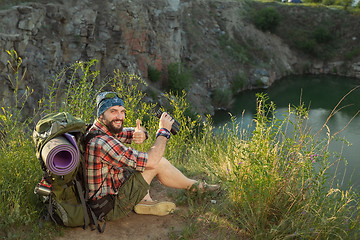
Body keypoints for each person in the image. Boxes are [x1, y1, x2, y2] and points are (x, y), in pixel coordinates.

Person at [85, 91, 219, 220]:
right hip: (110, 207)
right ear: (101, 115)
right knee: (157, 163)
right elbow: (152, 161)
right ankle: (197, 187)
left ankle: (144, 201)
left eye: (122, 111)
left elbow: (135, 131)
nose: (120, 117)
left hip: (110, 192)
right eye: (113, 111)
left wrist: (141, 133)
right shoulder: (102, 143)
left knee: (137, 162)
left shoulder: (101, 129)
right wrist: (164, 131)